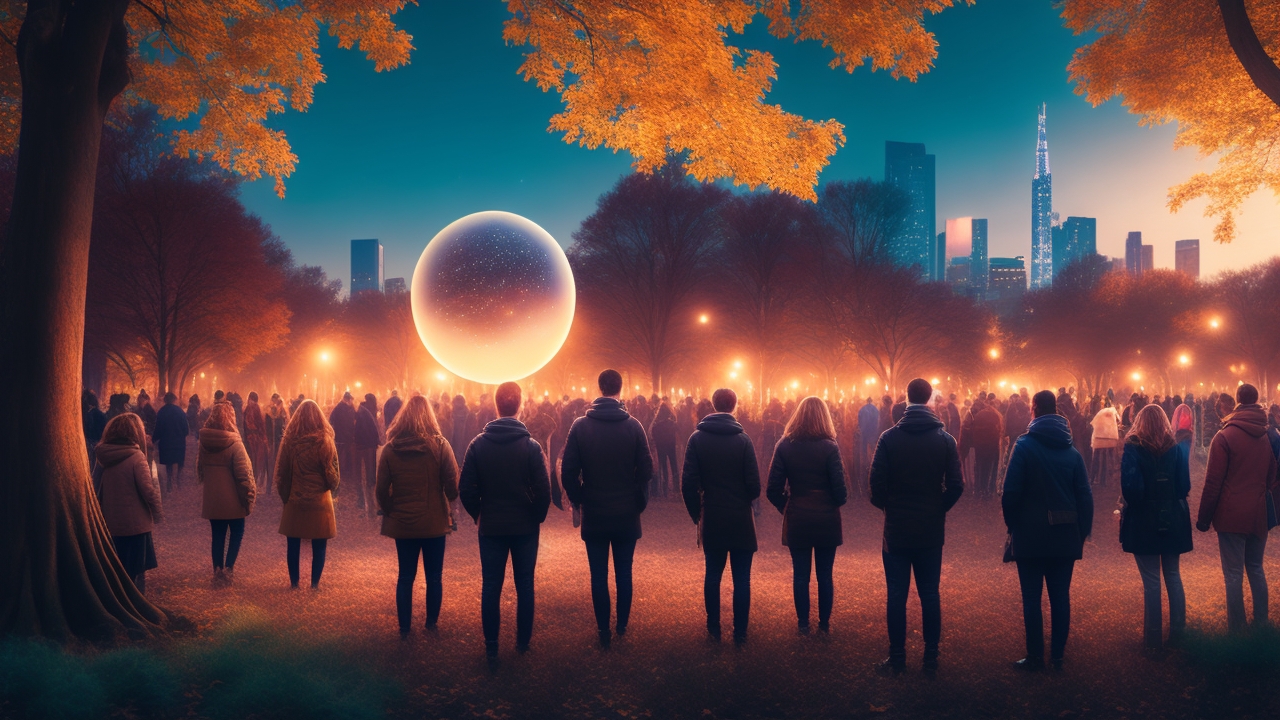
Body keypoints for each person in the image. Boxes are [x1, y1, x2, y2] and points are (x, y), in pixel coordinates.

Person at [869, 378, 964, 675]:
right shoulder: (945, 439)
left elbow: (875, 486)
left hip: (897, 526)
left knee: (897, 593)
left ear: (906, 399)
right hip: (929, 527)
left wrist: (889, 507)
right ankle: (930, 658)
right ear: (930, 400)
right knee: (929, 593)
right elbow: (957, 486)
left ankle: (897, 658)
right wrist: (938, 507)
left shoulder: (889, 438)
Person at [460, 382, 552, 669]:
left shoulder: (478, 445)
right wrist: (535, 516)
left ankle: (492, 646)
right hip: (524, 526)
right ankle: (522, 643)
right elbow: (543, 490)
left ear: (497, 406)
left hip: (492, 526)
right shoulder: (531, 447)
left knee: (491, 585)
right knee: (525, 584)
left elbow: (466, 489)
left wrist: (479, 514)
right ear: (520, 405)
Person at [561, 369, 654, 649]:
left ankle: (604, 629)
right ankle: (621, 625)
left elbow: (568, 472)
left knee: (598, 574)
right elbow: (647, 470)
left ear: (599, 388)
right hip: (626, 510)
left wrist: (580, 499)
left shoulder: (580, 426)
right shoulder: (633, 426)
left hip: (596, 510)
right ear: (620, 389)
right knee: (624, 572)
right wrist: (638, 498)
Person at [1002, 390, 1094, 671]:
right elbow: (1085, 497)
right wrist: (1082, 532)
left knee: (1032, 597)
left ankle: (1034, 657)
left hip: (1030, 534)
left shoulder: (1024, 446)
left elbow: (1010, 492)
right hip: (1065, 533)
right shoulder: (1072, 452)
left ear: (1034, 409)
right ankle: (1057, 657)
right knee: (1060, 596)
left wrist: (1012, 523)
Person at [680, 388, 761, 644]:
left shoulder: (697, 439)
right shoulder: (743, 440)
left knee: (713, 574)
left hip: (712, 513)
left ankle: (714, 628)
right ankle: (740, 632)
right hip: (739, 516)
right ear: (734, 406)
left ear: (713, 406)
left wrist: (697, 512)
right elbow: (755, 485)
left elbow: (688, 483)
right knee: (742, 578)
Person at [1196, 384, 1277, 632]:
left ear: (1238, 401)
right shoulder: (1267, 435)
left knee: (1233, 573)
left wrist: (1203, 519)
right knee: (1255, 567)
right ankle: (1261, 622)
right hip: (1258, 512)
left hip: (1231, 514)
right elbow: (1273, 475)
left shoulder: (1225, 436)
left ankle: (1237, 629)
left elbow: (1213, 482)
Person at [377, 395, 460, 638]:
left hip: (403, 523)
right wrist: (448, 498)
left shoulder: (391, 449)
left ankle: (404, 627)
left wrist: (391, 509)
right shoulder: (440, 445)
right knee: (434, 576)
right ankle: (431, 623)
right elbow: (452, 486)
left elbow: (381, 489)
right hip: (433, 521)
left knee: (405, 576)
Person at [766, 396, 848, 636]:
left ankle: (803, 623)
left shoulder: (785, 445)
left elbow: (772, 489)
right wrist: (828, 503)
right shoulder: (830, 447)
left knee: (800, 574)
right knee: (825, 574)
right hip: (826, 518)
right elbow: (841, 493)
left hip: (798, 516)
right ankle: (824, 624)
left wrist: (788, 506)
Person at [1120, 404, 1192, 654]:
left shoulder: (1133, 447)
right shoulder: (1176, 447)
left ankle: (1152, 641)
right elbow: (1184, 485)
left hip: (1144, 518)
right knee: (1173, 575)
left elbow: (1131, 488)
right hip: (1173, 515)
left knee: (1151, 581)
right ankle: (1179, 634)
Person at [92, 413, 163, 593]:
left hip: (110, 523)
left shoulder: (103, 456)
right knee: (137, 572)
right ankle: (137, 607)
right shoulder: (136, 456)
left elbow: (94, 485)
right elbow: (148, 489)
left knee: (117, 568)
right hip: (136, 525)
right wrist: (157, 513)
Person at [277, 399, 341, 589]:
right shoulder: (326, 442)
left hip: (295, 500)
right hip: (320, 502)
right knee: (319, 545)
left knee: (293, 544)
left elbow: (282, 474)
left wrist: (285, 497)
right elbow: (334, 479)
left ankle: (294, 583)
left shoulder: (289, 442)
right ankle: (314, 584)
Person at [197, 402, 256, 586]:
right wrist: (249, 494)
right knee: (237, 531)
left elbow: (199, 470)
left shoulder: (204, 443)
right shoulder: (235, 443)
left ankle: (217, 569)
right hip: (233, 499)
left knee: (218, 534)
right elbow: (243, 473)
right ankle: (229, 569)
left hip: (213, 499)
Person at [152, 392, 190, 494]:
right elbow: (186, 429)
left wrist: (153, 439)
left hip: (166, 442)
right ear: (174, 400)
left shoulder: (161, 412)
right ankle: (178, 479)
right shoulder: (180, 411)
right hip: (178, 441)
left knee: (169, 462)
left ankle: (169, 480)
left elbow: (158, 428)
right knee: (179, 460)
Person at [356, 393, 383, 518]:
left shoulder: (362, 411)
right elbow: (371, 429)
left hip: (364, 444)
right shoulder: (367, 412)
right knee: (370, 466)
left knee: (368, 467)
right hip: (368, 444)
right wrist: (376, 440)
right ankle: (370, 484)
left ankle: (369, 482)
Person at [329, 392, 357, 500]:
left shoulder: (340, 408)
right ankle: (344, 471)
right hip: (343, 436)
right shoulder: (342, 408)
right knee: (342, 453)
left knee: (344, 453)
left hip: (343, 435)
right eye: (350, 400)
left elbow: (331, 420)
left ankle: (344, 471)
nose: (352, 402)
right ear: (347, 399)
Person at [651, 401, 679, 499]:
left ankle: (664, 489)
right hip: (671, 447)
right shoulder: (673, 424)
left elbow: (652, 434)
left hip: (661, 447)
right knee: (674, 466)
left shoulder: (656, 426)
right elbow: (677, 434)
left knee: (663, 467)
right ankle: (676, 488)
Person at [1090, 399, 1121, 487]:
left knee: (1096, 458)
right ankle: (1107, 479)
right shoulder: (1113, 412)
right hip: (1111, 439)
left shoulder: (1100, 413)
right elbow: (1119, 421)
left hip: (1099, 439)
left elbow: (1093, 423)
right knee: (1109, 459)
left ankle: (1093, 478)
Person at [243, 392, 270, 489]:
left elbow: (259, 423)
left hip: (252, 438)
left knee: (253, 459)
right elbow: (261, 424)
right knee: (254, 459)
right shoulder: (251, 408)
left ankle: (252, 479)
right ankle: (253, 479)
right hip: (253, 437)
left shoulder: (252, 408)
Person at [83, 390, 107, 464]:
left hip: (90, 442)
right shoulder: (100, 414)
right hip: (98, 442)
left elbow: (89, 428)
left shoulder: (88, 414)